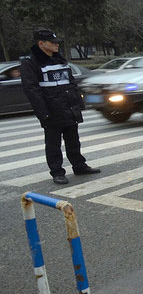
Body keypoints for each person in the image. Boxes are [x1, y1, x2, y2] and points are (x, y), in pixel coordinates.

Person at [20, 29, 100, 185]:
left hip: (69, 107)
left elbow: (71, 82)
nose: (57, 45)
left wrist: (78, 103)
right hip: (51, 110)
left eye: (57, 42)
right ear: (41, 43)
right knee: (53, 144)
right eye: (53, 42)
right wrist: (43, 113)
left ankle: (79, 165)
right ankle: (57, 172)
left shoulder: (59, 59)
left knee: (73, 140)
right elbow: (32, 91)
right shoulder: (30, 63)